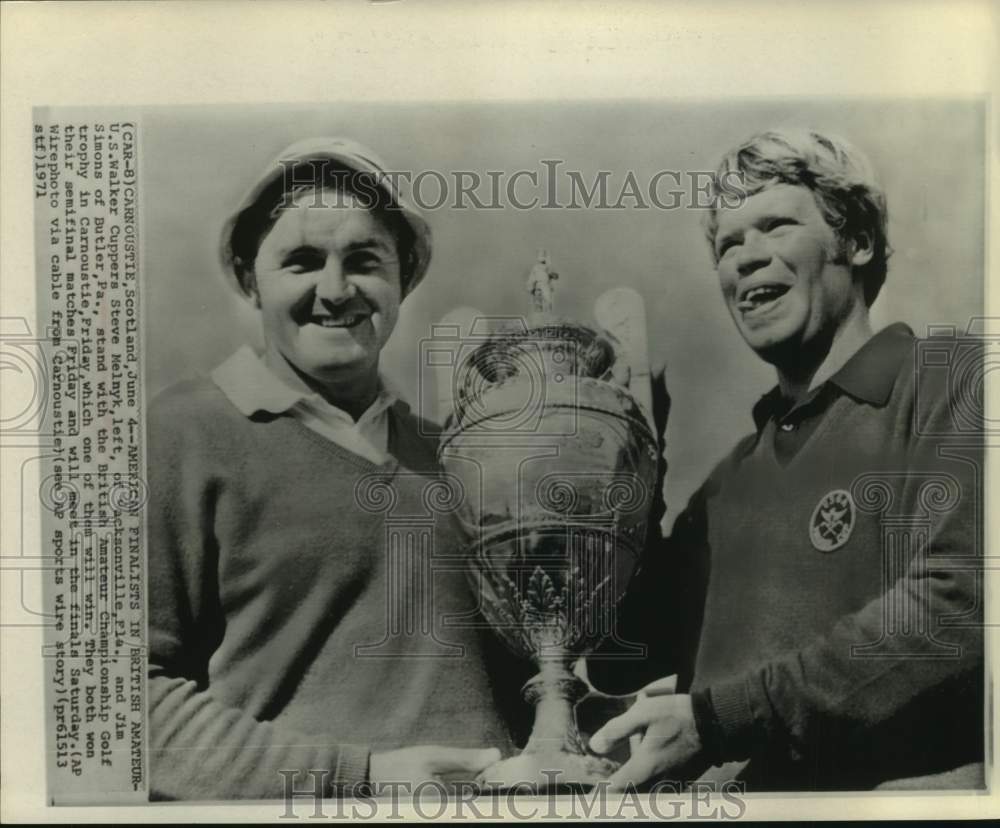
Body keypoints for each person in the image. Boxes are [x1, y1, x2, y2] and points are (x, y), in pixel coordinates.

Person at [587, 129, 984, 791]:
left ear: (855, 242)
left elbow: (959, 606)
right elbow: (617, 655)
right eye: (728, 244)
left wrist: (721, 721)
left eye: (773, 226)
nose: (744, 259)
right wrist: (630, 475)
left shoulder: (950, 380)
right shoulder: (724, 487)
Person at [147, 138, 522, 800]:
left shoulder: (462, 454)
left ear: (402, 276)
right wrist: (360, 779)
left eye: (365, 261)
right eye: (301, 262)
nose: (335, 289)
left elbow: (539, 665)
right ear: (247, 278)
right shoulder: (179, 431)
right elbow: (124, 707)